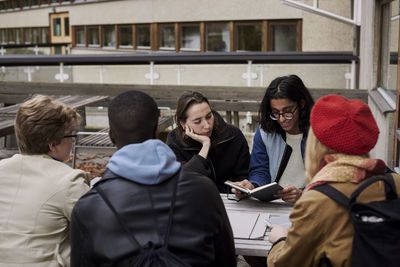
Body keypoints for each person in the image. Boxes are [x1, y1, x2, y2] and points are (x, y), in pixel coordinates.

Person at [70, 90, 236, 266]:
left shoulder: (88, 207)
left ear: (111, 136)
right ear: (157, 129)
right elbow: (227, 260)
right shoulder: (203, 189)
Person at [267, 94, 400, 266]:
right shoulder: (394, 183)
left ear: (316, 143)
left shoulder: (316, 200)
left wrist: (280, 239)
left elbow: (283, 264)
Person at [0, 95, 90, 266]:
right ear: (53, 145)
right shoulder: (68, 181)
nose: (72, 140)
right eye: (70, 135)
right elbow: (99, 227)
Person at [233, 75, 314, 203]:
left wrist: (304, 194)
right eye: (275, 112)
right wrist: (252, 186)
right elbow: (260, 170)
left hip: (310, 203)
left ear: (302, 104)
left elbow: (329, 177)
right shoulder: (265, 131)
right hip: (274, 203)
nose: (281, 119)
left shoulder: (318, 132)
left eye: (288, 111)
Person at [166, 90, 250, 192]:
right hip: (195, 200)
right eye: (198, 121)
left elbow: (244, 175)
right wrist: (205, 145)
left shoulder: (232, 135)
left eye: (209, 116)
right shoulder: (174, 141)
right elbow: (182, 181)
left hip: (232, 200)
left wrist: (239, 187)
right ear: (183, 124)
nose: (207, 125)